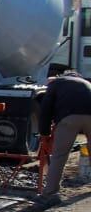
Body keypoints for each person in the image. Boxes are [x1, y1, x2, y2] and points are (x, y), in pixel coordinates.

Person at [38, 71, 91, 199]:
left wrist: (44, 133)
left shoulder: (56, 83)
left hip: (68, 117)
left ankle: (50, 193)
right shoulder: (87, 83)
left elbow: (45, 109)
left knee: (59, 155)